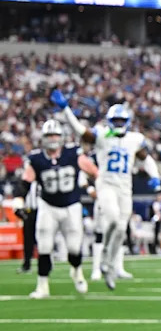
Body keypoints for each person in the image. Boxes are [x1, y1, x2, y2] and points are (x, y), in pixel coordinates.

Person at [50, 97, 161, 289]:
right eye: (116, 121)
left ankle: (109, 266)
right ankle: (104, 259)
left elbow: (147, 159)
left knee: (120, 228)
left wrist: (155, 176)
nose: (118, 124)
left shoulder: (134, 139)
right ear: (110, 121)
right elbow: (80, 130)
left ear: (126, 122)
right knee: (111, 218)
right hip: (106, 185)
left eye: (121, 121)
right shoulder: (102, 135)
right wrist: (66, 109)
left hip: (125, 189)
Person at [19, 120, 98, 298]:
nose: (53, 139)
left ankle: (77, 271)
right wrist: (18, 200)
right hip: (48, 205)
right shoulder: (36, 159)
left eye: (55, 135)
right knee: (44, 246)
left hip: (71, 206)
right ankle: (42, 286)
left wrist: (97, 188)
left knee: (74, 248)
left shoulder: (73, 154)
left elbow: (94, 172)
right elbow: (25, 183)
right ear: (43, 138)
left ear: (61, 137)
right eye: (49, 135)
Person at [14, 178, 38, 274]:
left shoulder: (42, 179)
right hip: (29, 212)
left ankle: (47, 263)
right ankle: (27, 265)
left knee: (44, 238)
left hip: (42, 211)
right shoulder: (26, 183)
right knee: (28, 240)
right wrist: (19, 210)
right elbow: (19, 195)